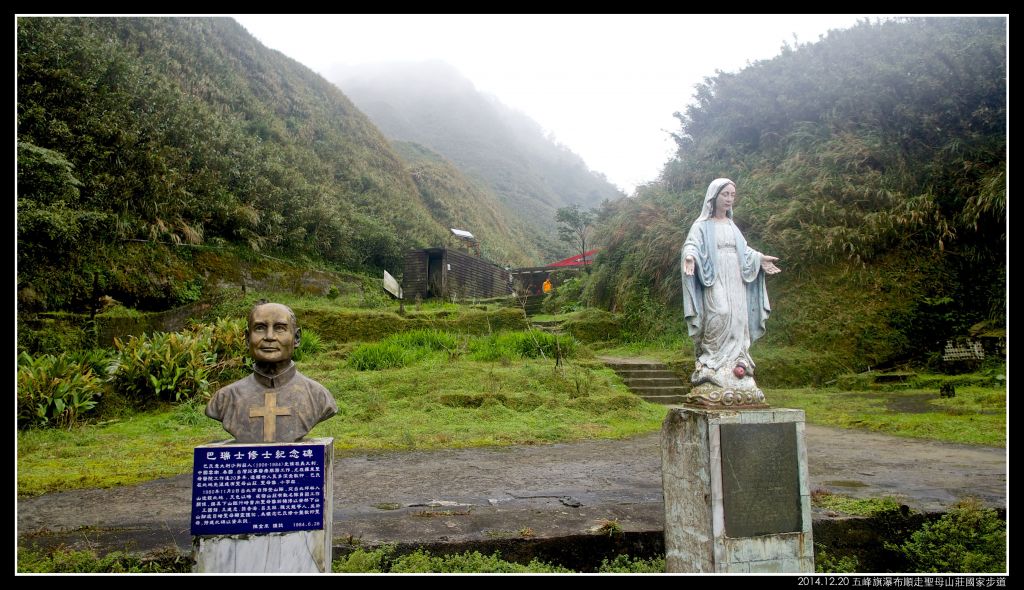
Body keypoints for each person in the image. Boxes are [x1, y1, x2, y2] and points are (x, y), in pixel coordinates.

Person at [682, 178, 780, 400]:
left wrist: (760, 258)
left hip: (735, 275)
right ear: (714, 196)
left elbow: (745, 252)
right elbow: (691, 244)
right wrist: (689, 258)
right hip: (714, 275)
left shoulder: (731, 226)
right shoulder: (702, 225)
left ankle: (736, 361)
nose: (728, 199)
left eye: (732, 195)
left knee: (738, 318)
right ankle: (712, 360)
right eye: (725, 194)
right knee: (720, 313)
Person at [205, 302, 337, 443]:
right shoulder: (225, 398)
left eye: (280, 328)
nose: (269, 336)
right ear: (248, 338)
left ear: (296, 338)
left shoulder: (317, 397)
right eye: (260, 328)